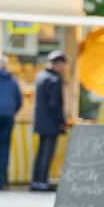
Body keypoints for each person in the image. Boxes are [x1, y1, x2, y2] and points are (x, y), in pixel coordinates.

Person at [31, 50, 67, 192]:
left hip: (40, 121)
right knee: (47, 153)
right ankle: (42, 183)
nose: (64, 67)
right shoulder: (54, 79)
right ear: (57, 64)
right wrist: (61, 120)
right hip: (51, 122)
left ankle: (35, 181)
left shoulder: (40, 76)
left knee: (40, 153)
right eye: (63, 64)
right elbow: (54, 104)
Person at [0, 55, 22, 190]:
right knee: (3, 149)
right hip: (8, 115)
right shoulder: (13, 80)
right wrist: (10, 111)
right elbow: (19, 101)